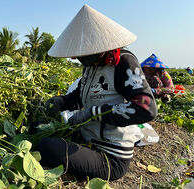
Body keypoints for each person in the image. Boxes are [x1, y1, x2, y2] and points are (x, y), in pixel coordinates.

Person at [35, 5, 157, 181]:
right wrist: (61, 101)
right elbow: (80, 94)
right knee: (38, 127)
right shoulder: (92, 65)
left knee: (47, 147)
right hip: (88, 137)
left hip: (111, 155)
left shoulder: (123, 62)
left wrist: (92, 113)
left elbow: (146, 108)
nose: (75, 58)